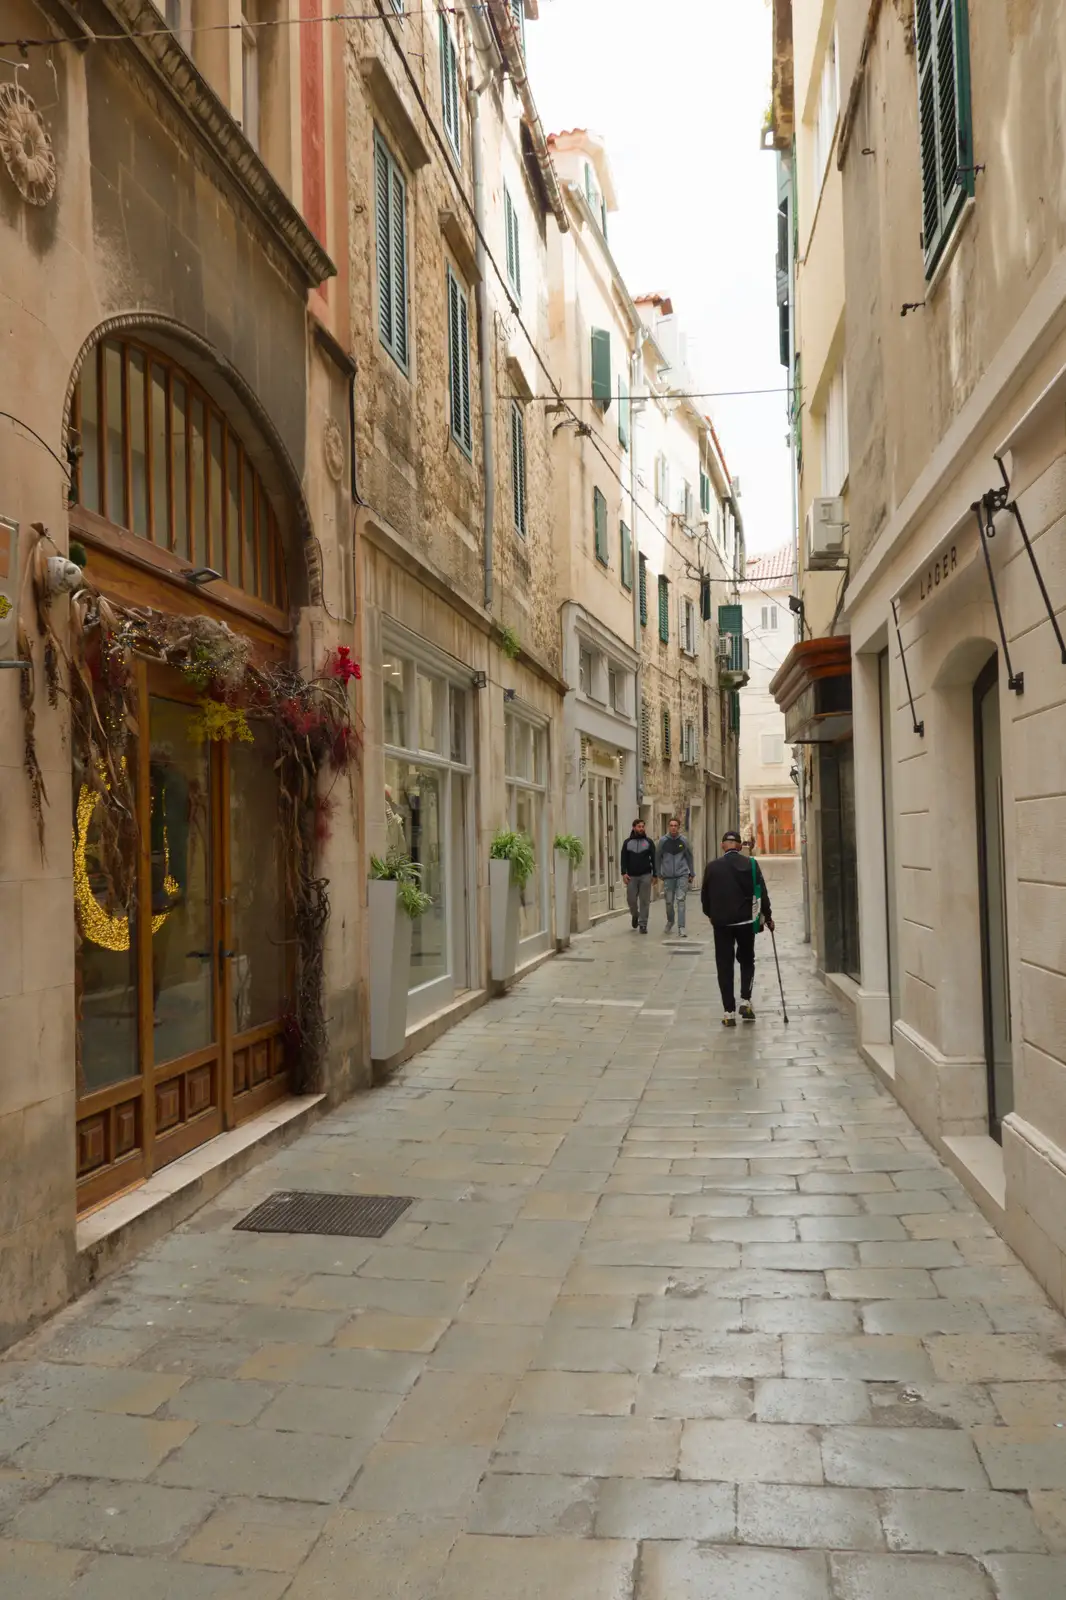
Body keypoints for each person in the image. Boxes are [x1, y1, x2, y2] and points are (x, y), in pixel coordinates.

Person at [700, 829, 774, 1026]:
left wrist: (711, 914)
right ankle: (746, 1001)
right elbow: (762, 892)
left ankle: (728, 1012)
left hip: (722, 924)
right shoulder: (750, 864)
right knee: (747, 960)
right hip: (745, 922)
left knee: (724, 966)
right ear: (740, 846)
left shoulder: (712, 867)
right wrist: (768, 917)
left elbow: (704, 897)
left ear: (723, 845)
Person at [656, 817, 695, 938]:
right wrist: (658, 872)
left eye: (675, 826)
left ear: (678, 827)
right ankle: (670, 920)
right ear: (669, 827)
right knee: (668, 902)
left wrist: (691, 873)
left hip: (682, 874)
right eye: (671, 825)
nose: (673, 827)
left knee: (681, 900)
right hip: (668, 876)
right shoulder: (663, 841)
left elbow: (689, 857)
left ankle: (681, 927)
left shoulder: (684, 841)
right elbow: (658, 857)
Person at [620, 817, 655, 934]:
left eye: (642, 826)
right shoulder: (627, 843)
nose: (641, 829)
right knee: (631, 900)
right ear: (634, 828)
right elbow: (623, 859)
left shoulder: (649, 842)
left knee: (645, 901)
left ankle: (643, 924)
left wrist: (655, 874)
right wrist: (624, 873)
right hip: (632, 876)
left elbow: (654, 858)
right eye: (639, 826)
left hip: (646, 875)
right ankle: (635, 914)